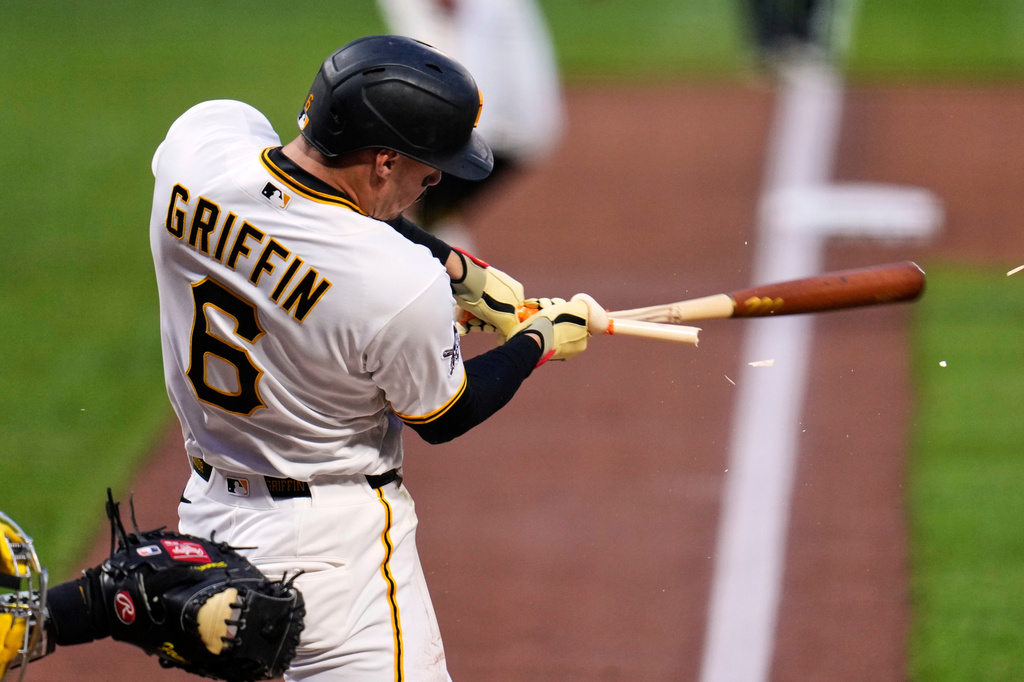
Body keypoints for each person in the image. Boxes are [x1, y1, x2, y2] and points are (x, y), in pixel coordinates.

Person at [148, 35, 590, 680]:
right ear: (384, 160)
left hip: (210, 531)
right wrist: (537, 343)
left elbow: (299, 198)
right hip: (334, 562)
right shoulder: (396, 284)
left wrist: (453, 264)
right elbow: (445, 414)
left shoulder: (197, 151)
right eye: (427, 163)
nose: (436, 178)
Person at [375, 0, 564, 249]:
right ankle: (459, 276)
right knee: (422, 213)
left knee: (400, 204)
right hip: (496, 117)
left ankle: (456, 278)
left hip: (486, 124)